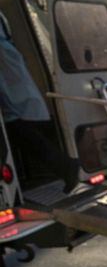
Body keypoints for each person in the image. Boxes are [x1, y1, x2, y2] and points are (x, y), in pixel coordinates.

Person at [0, 11, 77, 193]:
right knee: (24, 121)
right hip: (8, 63)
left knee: (16, 124)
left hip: (5, 67)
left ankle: (66, 165)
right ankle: (67, 162)